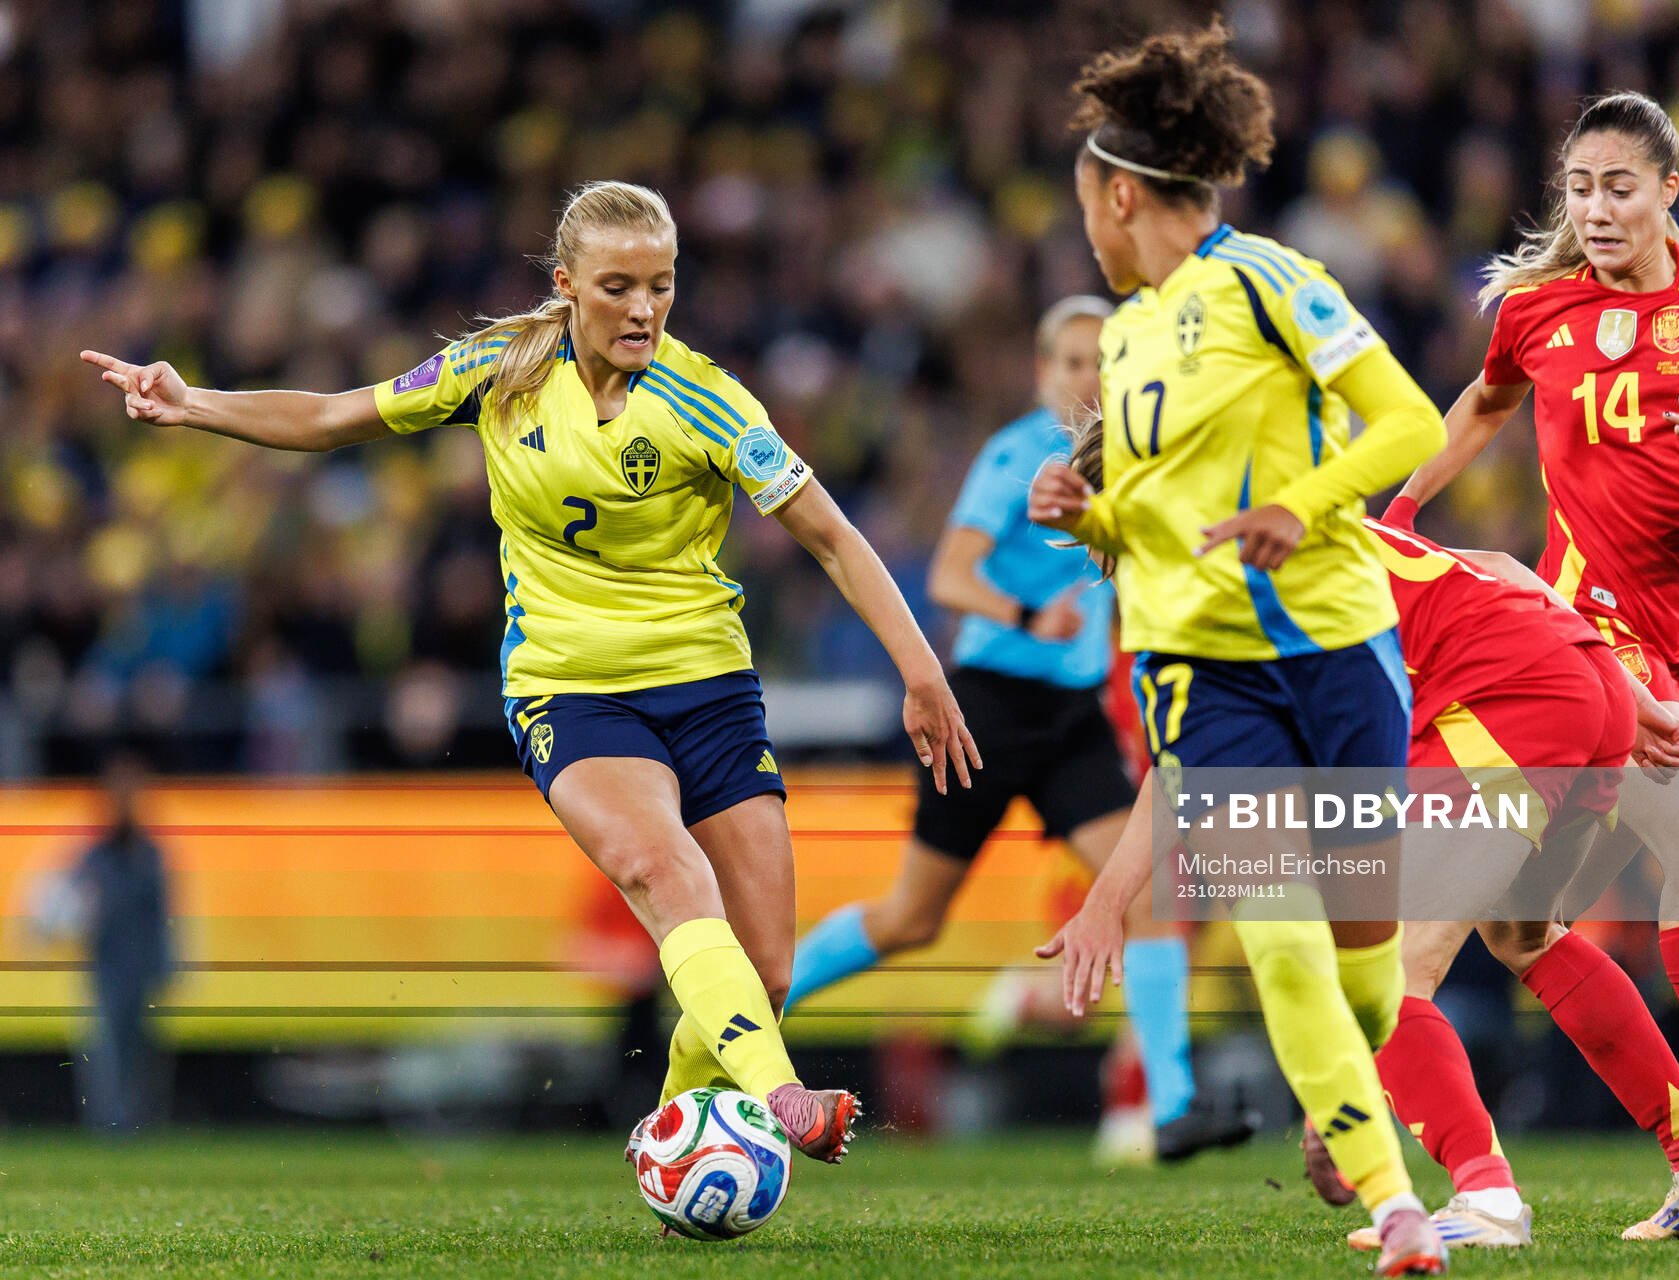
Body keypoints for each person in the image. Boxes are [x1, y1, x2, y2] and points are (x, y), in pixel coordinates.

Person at [81, 180, 980, 1165]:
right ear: (566, 284)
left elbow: (833, 536)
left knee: (762, 976)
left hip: (709, 689)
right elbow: (338, 415)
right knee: (666, 871)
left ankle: (674, 1146)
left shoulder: (710, 401)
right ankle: (784, 1096)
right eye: (618, 286)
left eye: (662, 285)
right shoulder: (499, 372)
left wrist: (922, 671)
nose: (643, 308)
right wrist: (195, 403)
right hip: (570, 690)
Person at [1386, 90, 1679, 1198]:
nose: (1596, 210)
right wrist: (1404, 509)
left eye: (1618, 187)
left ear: (1669, 190)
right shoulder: (1537, 312)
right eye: (1579, 190)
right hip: (1581, 633)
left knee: (1524, 926)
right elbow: (1483, 404)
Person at [1029, 22, 1450, 1276]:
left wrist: (1302, 507)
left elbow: (1409, 423)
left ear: (1120, 196)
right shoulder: (1123, 337)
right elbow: (1153, 527)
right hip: (1200, 675)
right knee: (1276, 933)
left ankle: (1347, 1101)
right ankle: (1399, 1209)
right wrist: (1088, 516)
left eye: (1086, 209)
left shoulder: (1271, 278)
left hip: (1333, 645)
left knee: (1366, 972)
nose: (1088, 236)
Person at [786, 295, 1255, 1162]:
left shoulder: (1129, 458)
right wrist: (1030, 617)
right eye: (1072, 361)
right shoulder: (1015, 456)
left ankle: (1173, 1107)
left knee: (1152, 896)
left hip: (1071, 718)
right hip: (989, 711)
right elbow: (949, 578)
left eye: (1103, 361)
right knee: (911, 919)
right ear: (1043, 372)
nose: (1089, 377)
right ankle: (749, 1012)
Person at [1327, 519, 1679, 1247]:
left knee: (1392, 974)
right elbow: (1501, 561)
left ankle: (1487, 1200)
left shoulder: (1237, 576)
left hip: (1508, 701)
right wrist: (1630, 693)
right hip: (1589, 683)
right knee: (1522, 934)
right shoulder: (1331, 521)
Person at [68, 749, 175, 1134]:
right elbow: (68, 906)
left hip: (142, 965)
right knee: (107, 1050)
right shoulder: (93, 854)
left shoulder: (151, 854)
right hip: (106, 967)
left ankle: (140, 1122)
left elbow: (163, 916)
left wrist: (167, 964)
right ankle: (109, 1124)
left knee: (143, 1051)